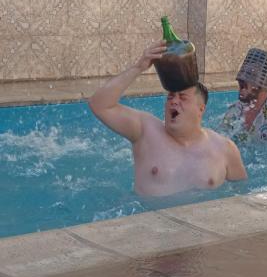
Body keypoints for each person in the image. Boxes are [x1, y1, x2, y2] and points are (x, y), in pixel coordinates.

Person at [89, 40, 247, 197]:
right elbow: (99, 105)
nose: (174, 101)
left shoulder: (225, 149)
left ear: (201, 109)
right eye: (170, 97)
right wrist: (139, 67)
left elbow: (242, 198)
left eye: (183, 97)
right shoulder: (145, 131)